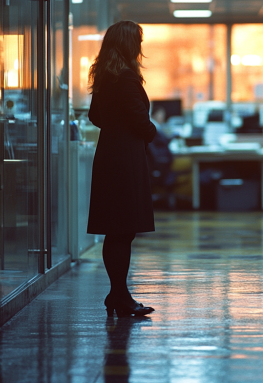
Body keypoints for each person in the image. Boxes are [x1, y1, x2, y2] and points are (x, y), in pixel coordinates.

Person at [87, 20, 157, 317]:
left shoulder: (104, 76)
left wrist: (115, 129)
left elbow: (94, 116)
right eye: (138, 41)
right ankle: (120, 296)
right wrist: (149, 132)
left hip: (108, 157)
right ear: (130, 44)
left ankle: (117, 294)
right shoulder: (126, 77)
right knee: (123, 230)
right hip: (125, 161)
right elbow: (140, 121)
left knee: (115, 231)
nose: (140, 47)